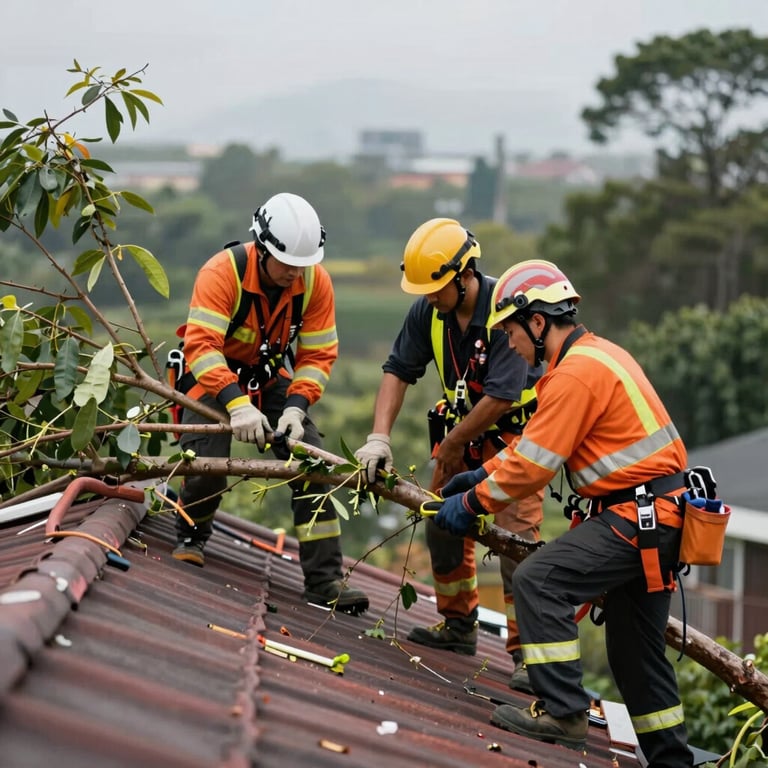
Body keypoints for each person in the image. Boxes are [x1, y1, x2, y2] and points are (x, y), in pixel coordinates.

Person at [434, 259, 694, 765]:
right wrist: (481, 477)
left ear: (537, 321)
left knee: (539, 580)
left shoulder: (575, 374)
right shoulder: (594, 358)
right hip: (656, 518)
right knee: (634, 654)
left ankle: (564, 713)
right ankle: (672, 761)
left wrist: (470, 503)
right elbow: (533, 447)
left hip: (639, 517)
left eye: (511, 329)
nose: (508, 342)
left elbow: (533, 467)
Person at [354, 218, 543, 667]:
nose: (429, 296)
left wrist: (455, 444)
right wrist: (379, 436)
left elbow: (501, 396)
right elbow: (398, 370)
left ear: (465, 275)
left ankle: (529, 659)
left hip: (516, 440)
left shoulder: (504, 311)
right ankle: (458, 626)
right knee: (441, 521)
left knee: (517, 544)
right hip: (461, 433)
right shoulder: (430, 311)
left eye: (436, 287)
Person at [172, 192, 369, 615]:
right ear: (261, 248)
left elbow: (317, 356)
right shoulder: (221, 272)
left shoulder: (315, 282)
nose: (294, 274)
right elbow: (202, 347)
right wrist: (236, 403)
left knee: (313, 463)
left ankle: (324, 579)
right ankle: (192, 534)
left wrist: (297, 407)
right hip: (213, 378)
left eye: (303, 265)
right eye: (286, 265)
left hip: (270, 380)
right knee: (207, 463)